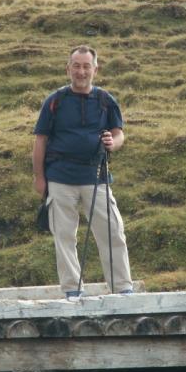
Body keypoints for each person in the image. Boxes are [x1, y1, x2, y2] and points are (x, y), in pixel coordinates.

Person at [33, 45, 134, 300]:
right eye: (76, 66)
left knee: (112, 231)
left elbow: (119, 133)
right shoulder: (54, 101)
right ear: (68, 69)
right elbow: (40, 140)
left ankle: (122, 288)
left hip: (96, 176)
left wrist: (113, 142)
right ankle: (72, 290)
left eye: (86, 66)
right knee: (64, 236)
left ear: (95, 69)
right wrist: (40, 178)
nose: (81, 71)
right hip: (60, 178)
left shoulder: (106, 100)